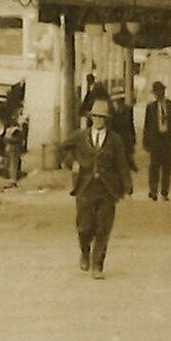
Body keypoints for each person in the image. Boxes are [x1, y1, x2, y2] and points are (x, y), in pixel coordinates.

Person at [60, 97, 131, 280]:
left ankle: (97, 265)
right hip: (84, 188)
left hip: (108, 189)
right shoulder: (79, 136)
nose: (99, 120)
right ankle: (85, 252)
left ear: (107, 119)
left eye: (103, 117)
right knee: (84, 227)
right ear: (91, 117)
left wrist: (127, 187)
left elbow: (122, 164)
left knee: (103, 228)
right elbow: (63, 148)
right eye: (96, 117)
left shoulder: (115, 140)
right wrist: (72, 162)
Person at [141, 81, 171, 201]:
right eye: (156, 92)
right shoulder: (150, 107)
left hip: (168, 139)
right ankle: (153, 191)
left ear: (164, 92)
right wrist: (145, 142)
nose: (158, 94)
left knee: (167, 167)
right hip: (156, 140)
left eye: (160, 91)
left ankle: (164, 192)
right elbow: (147, 126)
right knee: (154, 167)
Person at [109, 88, 138, 185]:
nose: (118, 102)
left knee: (125, 166)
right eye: (116, 100)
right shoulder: (110, 111)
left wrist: (133, 139)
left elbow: (131, 125)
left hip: (125, 141)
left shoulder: (128, 110)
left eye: (120, 100)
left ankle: (128, 188)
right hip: (113, 142)